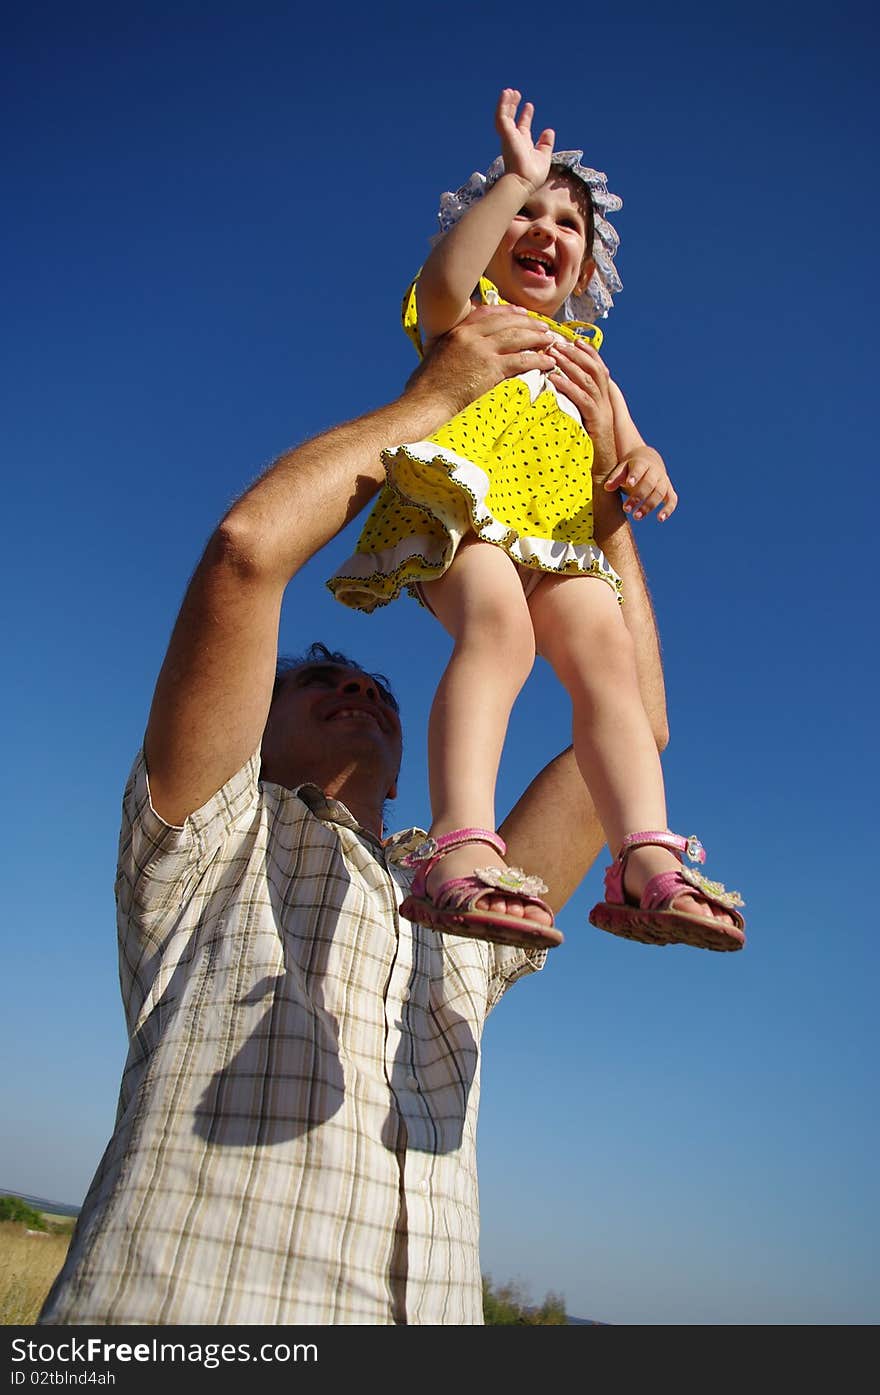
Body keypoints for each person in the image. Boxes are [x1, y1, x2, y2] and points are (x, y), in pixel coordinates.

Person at [41, 306, 667, 1327]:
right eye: (319, 679)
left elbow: (630, 728)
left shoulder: (473, 895)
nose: (360, 688)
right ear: (254, 721)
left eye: (378, 686)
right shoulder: (208, 841)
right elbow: (246, 554)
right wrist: (435, 401)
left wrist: (597, 517)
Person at [329, 89, 744, 954]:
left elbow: (629, 449)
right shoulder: (469, 315)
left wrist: (645, 463)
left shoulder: (589, 361)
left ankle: (644, 854)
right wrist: (511, 180)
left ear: (587, 270)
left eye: (566, 222)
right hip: (468, 512)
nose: (544, 228)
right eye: (527, 212)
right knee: (501, 636)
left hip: (560, 534)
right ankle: (461, 845)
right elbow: (440, 282)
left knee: (610, 665)